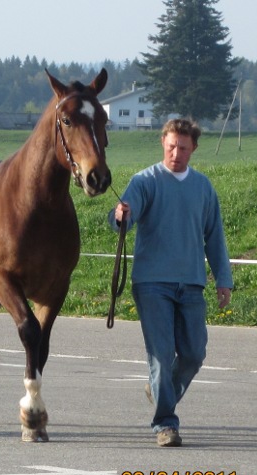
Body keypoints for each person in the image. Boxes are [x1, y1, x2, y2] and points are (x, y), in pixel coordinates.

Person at [108, 118, 233, 447]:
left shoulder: (203, 188)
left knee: (193, 353)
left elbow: (214, 237)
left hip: (191, 283)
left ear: (194, 148)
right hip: (152, 283)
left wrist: (224, 278)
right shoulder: (145, 181)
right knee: (162, 356)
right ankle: (165, 424)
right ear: (163, 143)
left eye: (183, 147)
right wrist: (121, 215)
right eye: (171, 146)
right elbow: (124, 214)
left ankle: (161, 389)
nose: (176, 152)